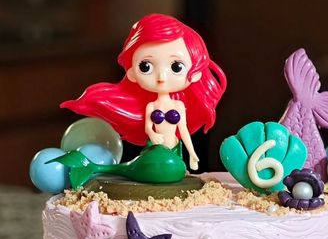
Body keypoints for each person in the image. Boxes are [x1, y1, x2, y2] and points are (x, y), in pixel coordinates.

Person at [61, 13, 227, 183]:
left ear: (196, 73)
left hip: (175, 151)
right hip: (153, 151)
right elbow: (148, 127)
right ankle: (91, 168)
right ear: (132, 73)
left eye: (176, 67)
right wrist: (153, 136)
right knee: (157, 174)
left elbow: (183, 130)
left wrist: (191, 153)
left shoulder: (178, 105)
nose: (161, 76)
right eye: (146, 66)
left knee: (174, 172)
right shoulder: (151, 106)